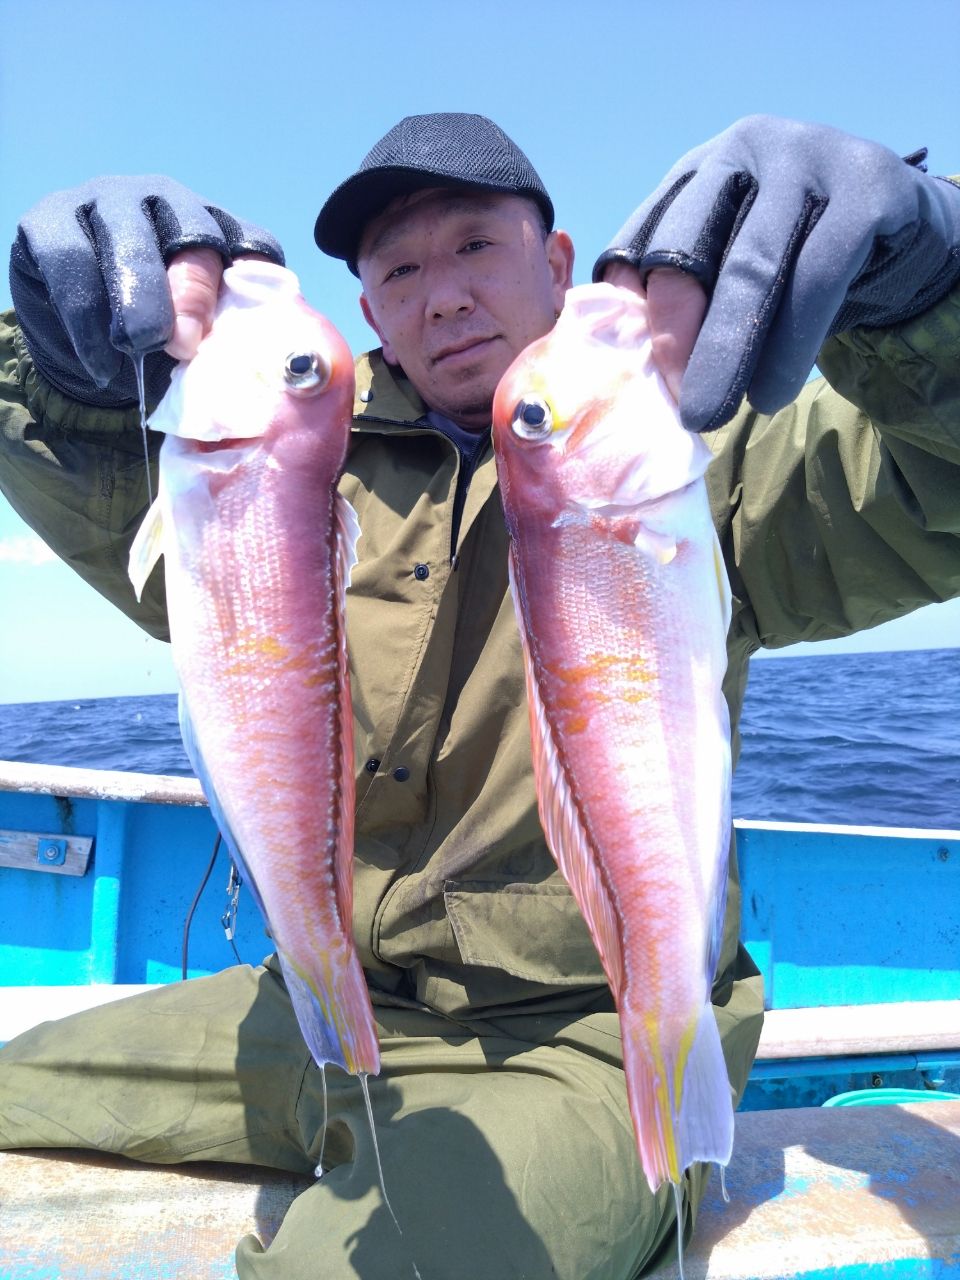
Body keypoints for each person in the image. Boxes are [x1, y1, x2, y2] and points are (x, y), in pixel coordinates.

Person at [0, 111, 958, 1280]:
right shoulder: (289, 465)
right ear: (367, 314)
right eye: (399, 270)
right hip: (313, 991)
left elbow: (932, 481)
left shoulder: (703, 463)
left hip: (572, 1033)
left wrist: (926, 287)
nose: (440, 294)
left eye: (473, 248)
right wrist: (55, 340)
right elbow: (111, 493)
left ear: (557, 262)